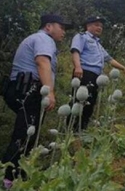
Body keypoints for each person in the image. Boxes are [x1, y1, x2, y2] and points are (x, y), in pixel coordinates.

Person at [1, 14, 72, 189]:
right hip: (29, 90)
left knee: (27, 133)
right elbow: (42, 62)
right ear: (49, 26)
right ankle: (7, 180)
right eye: (61, 27)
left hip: (21, 89)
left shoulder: (36, 38)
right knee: (24, 135)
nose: (64, 31)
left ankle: (18, 173)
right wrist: (50, 92)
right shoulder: (44, 39)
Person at [68, 16, 125, 131]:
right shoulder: (82, 37)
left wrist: (124, 68)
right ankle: (70, 130)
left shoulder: (98, 44)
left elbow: (110, 60)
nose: (100, 28)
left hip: (96, 77)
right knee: (78, 102)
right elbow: (75, 51)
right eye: (96, 25)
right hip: (84, 73)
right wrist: (78, 67)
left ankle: (81, 131)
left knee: (90, 104)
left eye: (101, 26)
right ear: (88, 25)